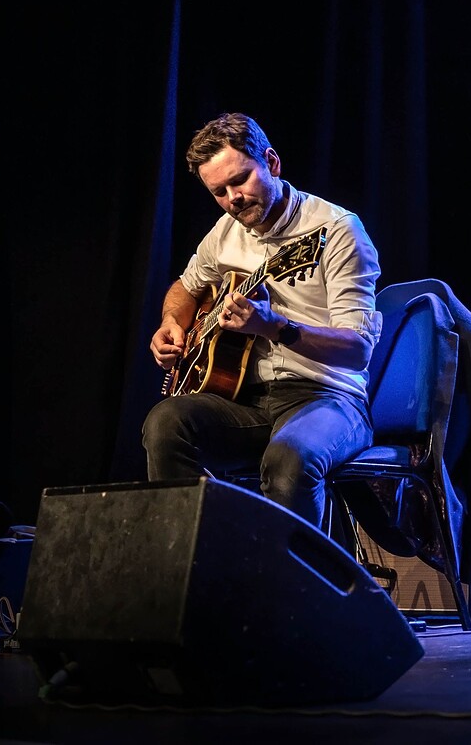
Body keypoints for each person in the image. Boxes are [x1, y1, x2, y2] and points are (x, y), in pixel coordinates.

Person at [144, 113, 382, 530]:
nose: (233, 198)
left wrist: (276, 327)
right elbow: (187, 286)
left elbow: (357, 349)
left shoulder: (336, 230)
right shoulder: (225, 232)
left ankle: (293, 590)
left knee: (288, 457)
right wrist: (171, 322)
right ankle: (196, 571)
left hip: (328, 399)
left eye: (241, 181)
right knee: (166, 422)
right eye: (219, 192)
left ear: (271, 163)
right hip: (246, 401)